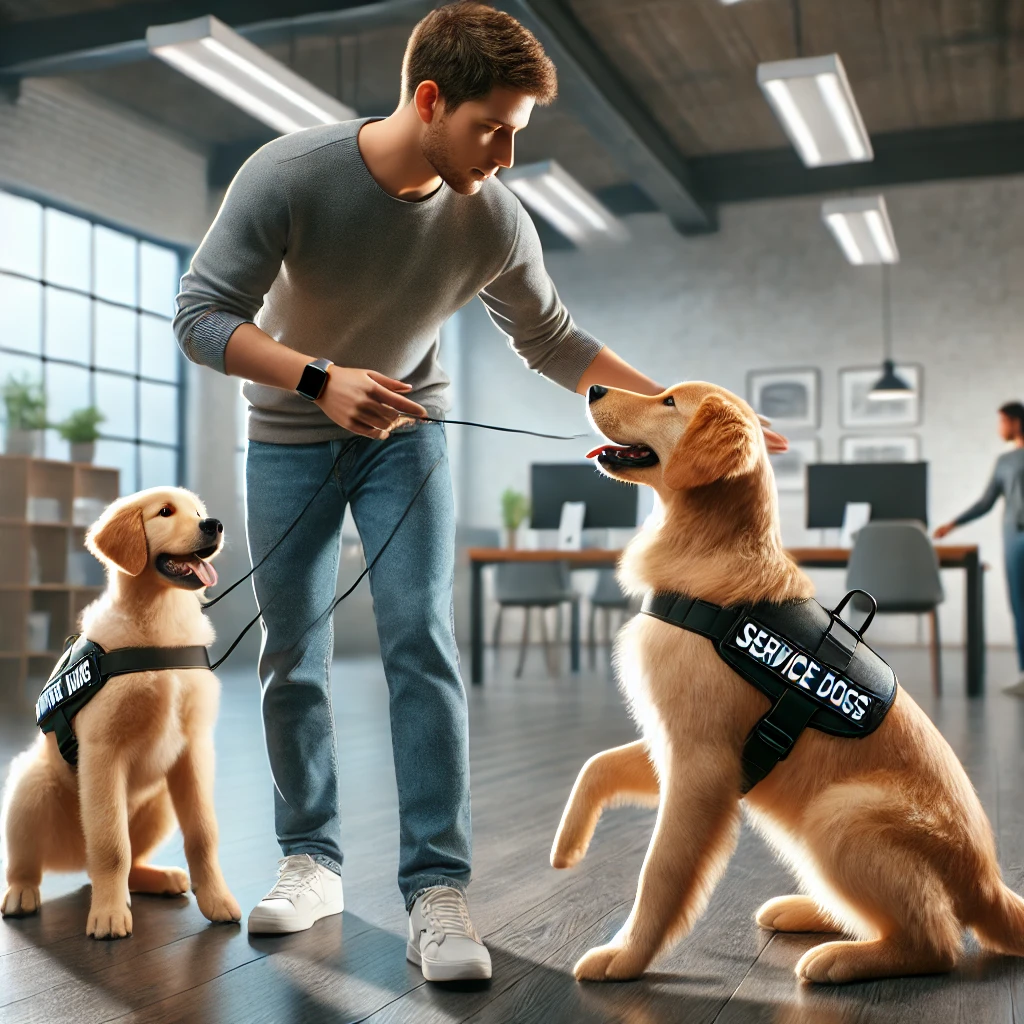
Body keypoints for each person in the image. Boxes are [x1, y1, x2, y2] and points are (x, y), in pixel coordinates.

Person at [174, 1, 786, 982]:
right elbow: (200, 315)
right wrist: (318, 379)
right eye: (491, 128)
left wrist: (720, 423)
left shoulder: (492, 215)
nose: (504, 154)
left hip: (405, 440)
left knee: (420, 637)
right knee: (291, 652)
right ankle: (312, 859)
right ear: (430, 100)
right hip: (288, 433)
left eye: (515, 133)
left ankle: (436, 890)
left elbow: (555, 342)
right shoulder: (288, 176)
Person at [935, 402, 1024, 694]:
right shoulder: (1005, 462)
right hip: (1014, 539)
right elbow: (986, 503)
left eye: (1002, 422)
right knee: (1019, 605)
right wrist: (954, 523)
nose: (1000, 429)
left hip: (1016, 537)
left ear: (1014, 422)